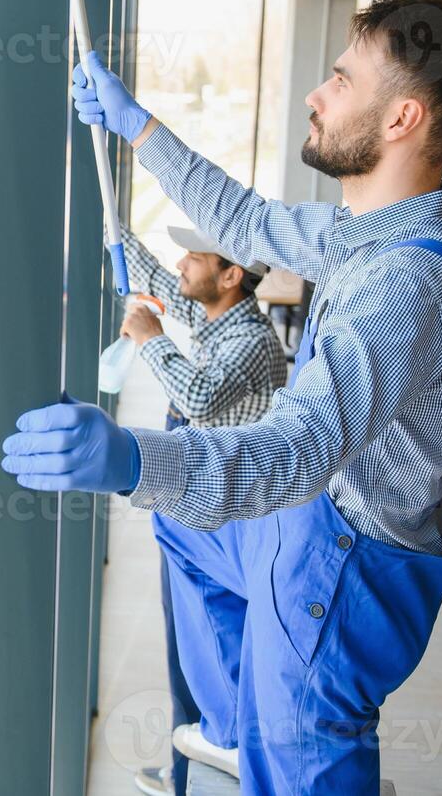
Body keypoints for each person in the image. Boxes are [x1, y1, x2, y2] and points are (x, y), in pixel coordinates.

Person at [3, 0, 442, 795]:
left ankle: (268, 736)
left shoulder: (405, 284)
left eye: (340, 81)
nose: (317, 93)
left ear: (401, 118)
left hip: (337, 579)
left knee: (303, 765)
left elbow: (293, 451)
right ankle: (237, 730)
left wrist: (134, 458)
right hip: (301, 527)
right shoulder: (364, 234)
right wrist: (138, 126)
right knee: (184, 529)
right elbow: (246, 221)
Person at [120, 225, 287, 796]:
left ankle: (208, 765)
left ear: (231, 276)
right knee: (190, 648)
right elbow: (157, 277)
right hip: (206, 512)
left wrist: (150, 337)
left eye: (196, 256)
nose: (182, 263)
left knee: (207, 646)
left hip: (225, 523)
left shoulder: (251, 340)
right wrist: (113, 233)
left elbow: (195, 396)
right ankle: (187, 770)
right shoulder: (217, 318)